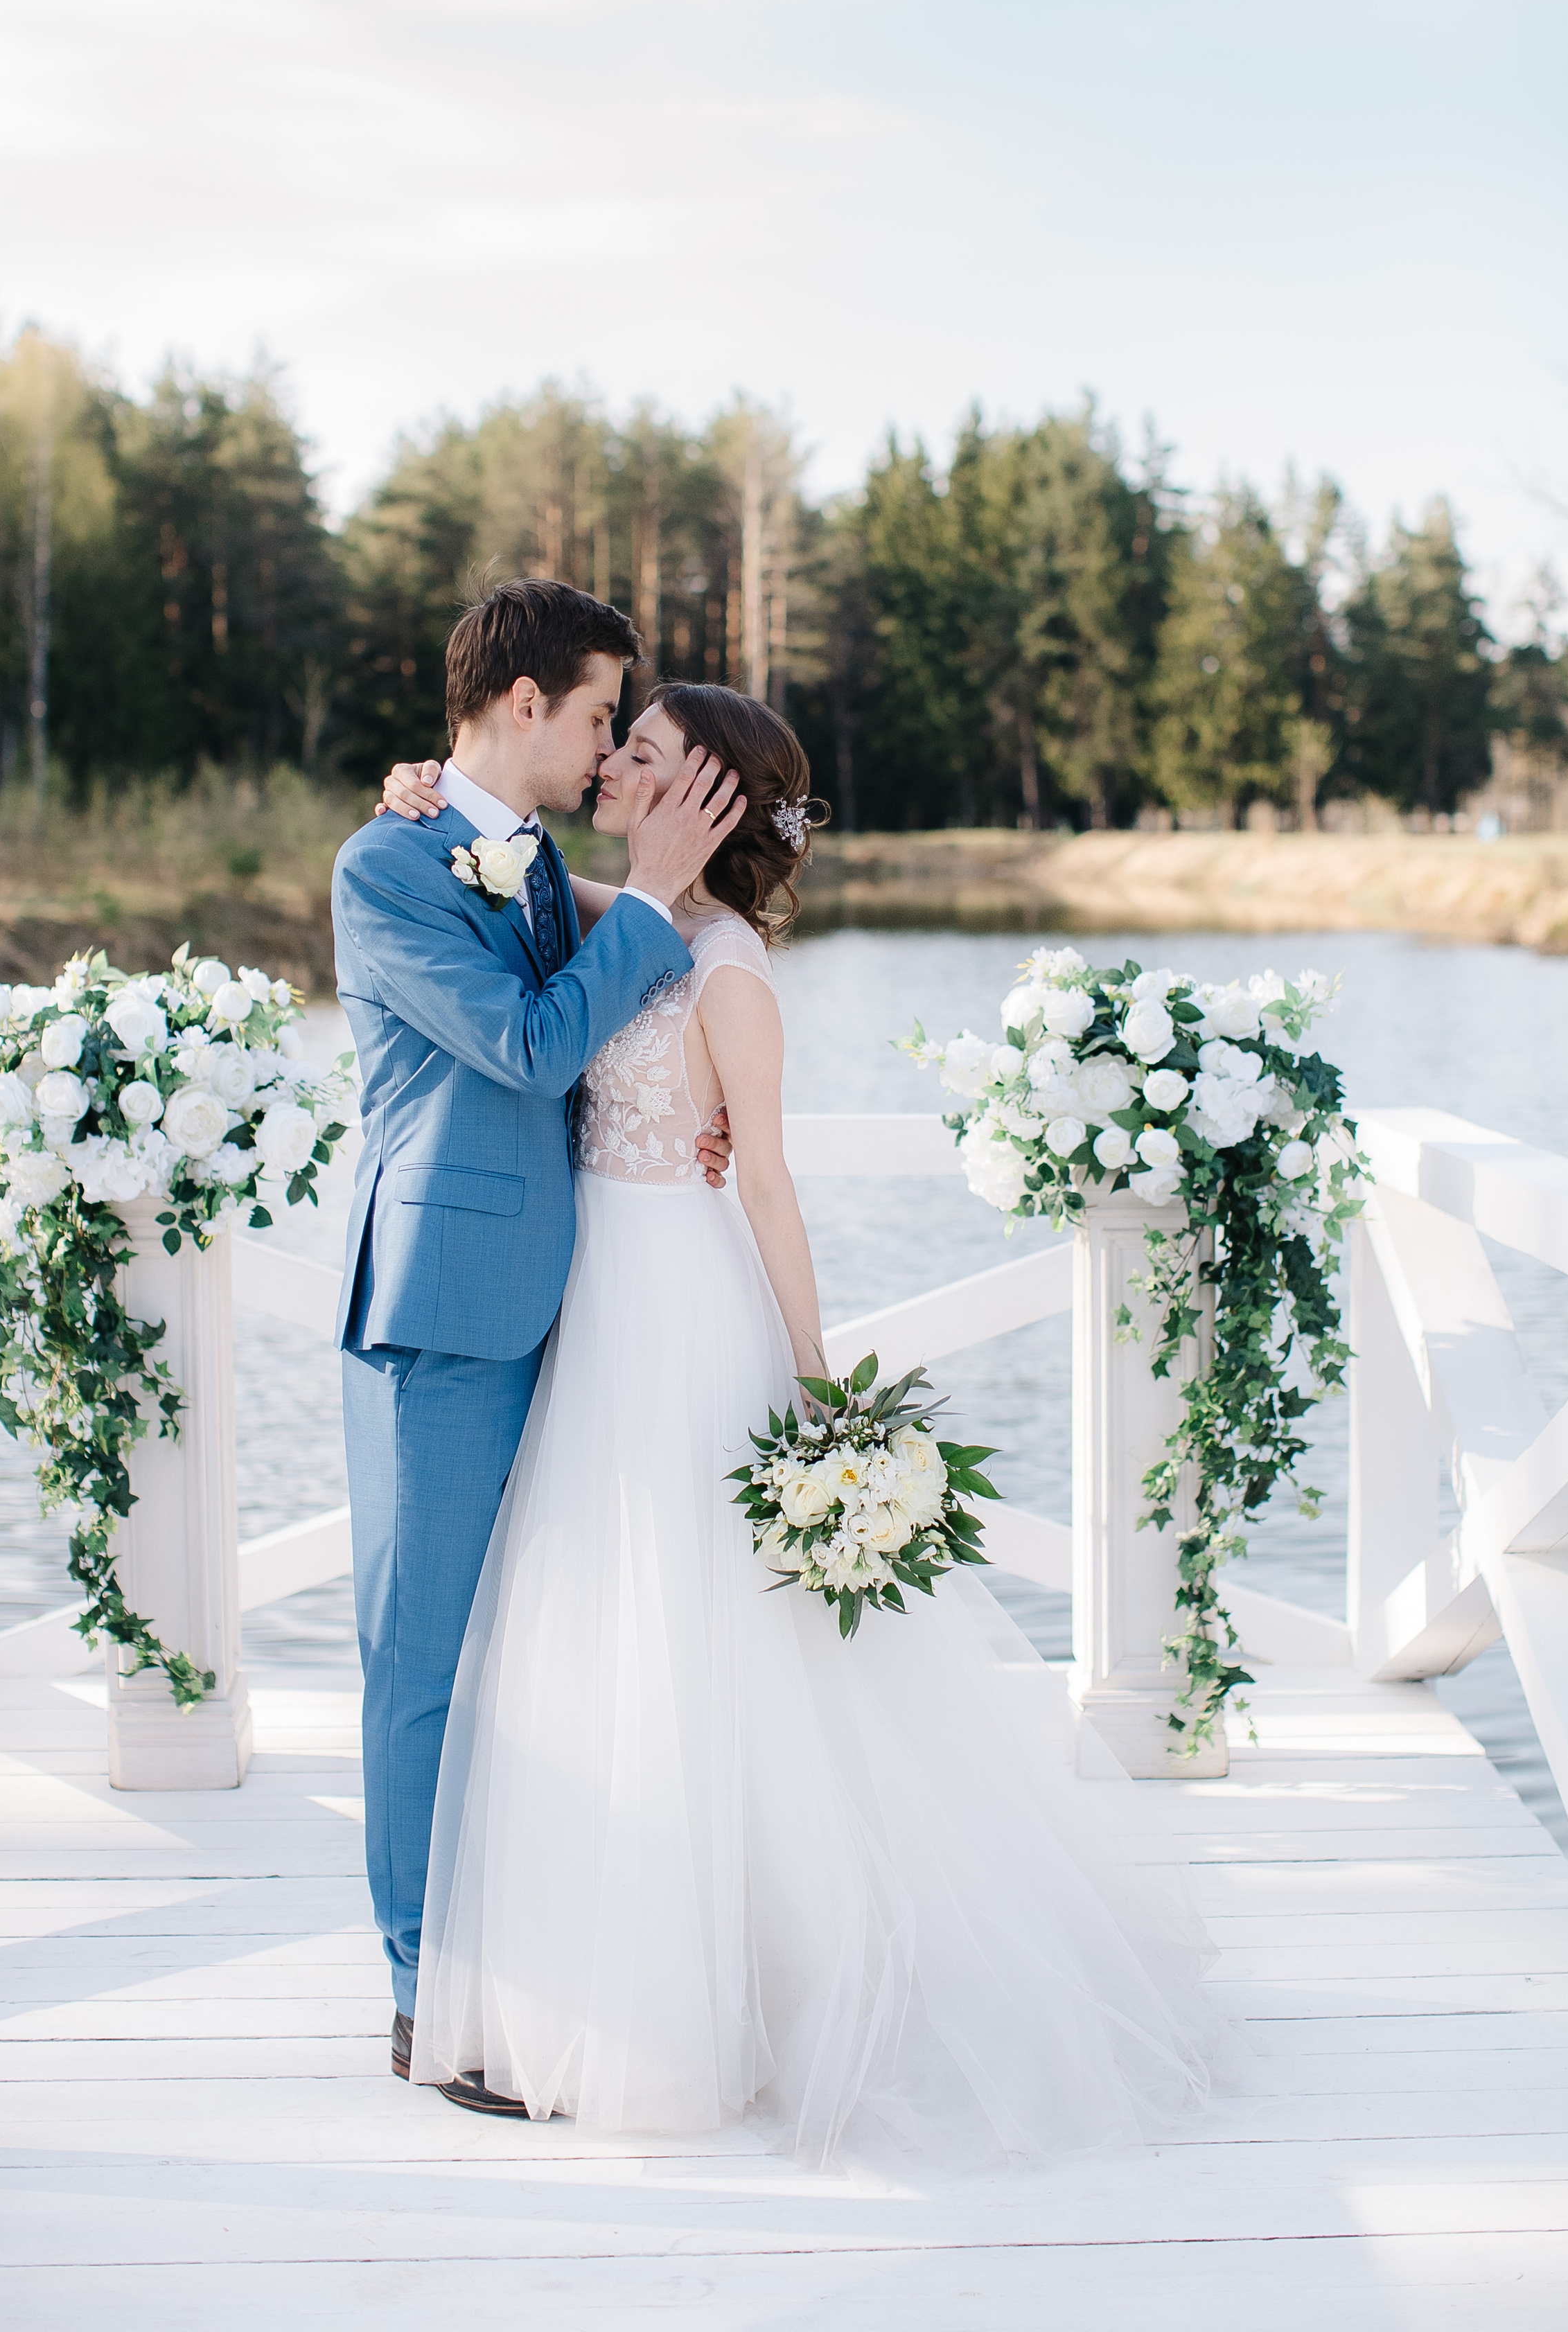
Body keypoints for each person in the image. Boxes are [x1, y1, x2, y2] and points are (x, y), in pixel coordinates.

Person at [373, 683, 1231, 2172]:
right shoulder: (602, 912)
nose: (610, 763)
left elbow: (764, 1184)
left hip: (685, 1317)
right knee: (591, 1627)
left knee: (697, 1641)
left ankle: (723, 1995)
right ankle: (589, 1984)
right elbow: (516, 884)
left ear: (703, 795)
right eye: (611, 739)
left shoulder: (727, 976)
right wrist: (425, 796)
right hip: (591, 1316)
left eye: (638, 753)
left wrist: (816, 1375)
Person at [331, 581, 745, 2087]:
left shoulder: (520, 854)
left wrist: (686, 1116)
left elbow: (616, 1023)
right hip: (440, 1306)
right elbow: (522, 1045)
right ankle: (419, 2002)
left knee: (538, 1659)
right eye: (590, 716)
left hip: (567, 1303)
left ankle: (533, 1964)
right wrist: (640, 909)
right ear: (521, 703)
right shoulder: (386, 866)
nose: (596, 748)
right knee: (422, 1660)